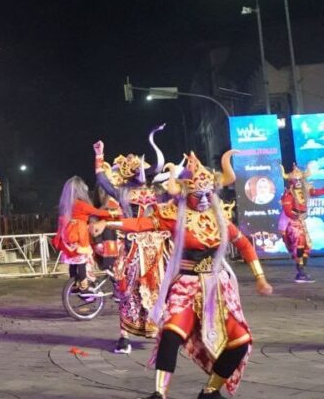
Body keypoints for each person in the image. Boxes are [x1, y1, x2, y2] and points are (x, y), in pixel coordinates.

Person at [95, 152, 273, 399]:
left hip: (218, 288)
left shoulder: (219, 217)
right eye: (197, 195)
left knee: (241, 341)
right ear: (185, 193)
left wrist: (260, 277)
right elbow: (140, 225)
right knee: (170, 334)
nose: (203, 200)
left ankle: (210, 390)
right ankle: (159, 392)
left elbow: (244, 245)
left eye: (208, 195)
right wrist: (109, 225)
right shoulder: (173, 216)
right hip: (187, 285)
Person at [94, 129, 171, 355]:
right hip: (138, 248)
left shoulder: (145, 193)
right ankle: (131, 336)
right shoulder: (134, 193)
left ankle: (136, 336)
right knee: (132, 291)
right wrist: (99, 154)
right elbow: (102, 180)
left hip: (147, 248)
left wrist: (99, 155)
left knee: (138, 292)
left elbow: (101, 178)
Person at [53, 176, 119, 296]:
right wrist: (113, 212)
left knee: (73, 263)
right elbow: (97, 212)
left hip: (67, 237)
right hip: (79, 235)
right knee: (82, 261)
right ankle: (84, 285)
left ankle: (74, 284)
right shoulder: (81, 204)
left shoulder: (66, 205)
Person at [279, 163, 324, 283]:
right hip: (292, 222)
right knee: (299, 243)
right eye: (295, 178)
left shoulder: (305, 190)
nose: (298, 180)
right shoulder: (288, 193)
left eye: (299, 177)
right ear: (291, 180)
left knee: (307, 246)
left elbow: (317, 191)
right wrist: (296, 216)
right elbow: (288, 210)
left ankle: (301, 271)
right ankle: (300, 272)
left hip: (300, 221)